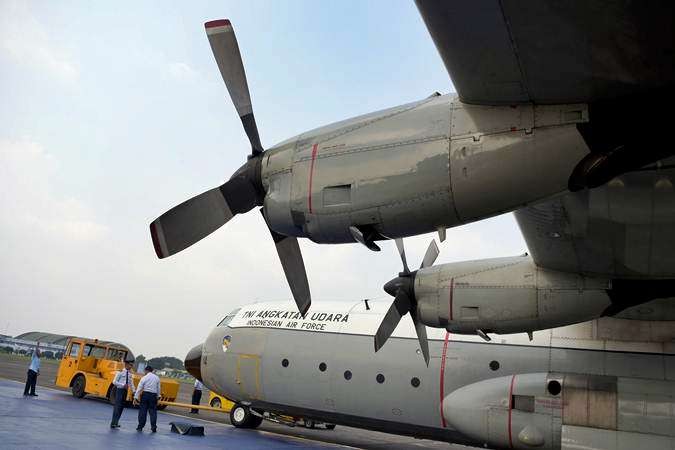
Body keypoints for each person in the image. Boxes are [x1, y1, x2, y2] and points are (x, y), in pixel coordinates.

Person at [134, 365, 161, 432]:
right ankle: (153, 427)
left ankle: (140, 426)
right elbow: (158, 388)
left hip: (145, 395)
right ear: (151, 370)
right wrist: (158, 396)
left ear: (146, 370)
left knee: (143, 411)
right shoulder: (157, 378)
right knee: (153, 412)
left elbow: (139, 388)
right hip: (153, 396)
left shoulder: (144, 378)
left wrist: (135, 397)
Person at [110, 359, 135, 429]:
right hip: (119, 390)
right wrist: (123, 384)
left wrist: (134, 391)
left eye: (132, 365)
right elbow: (114, 382)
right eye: (130, 365)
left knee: (121, 407)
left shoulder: (130, 374)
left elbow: (131, 383)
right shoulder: (120, 372)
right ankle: (113, 423)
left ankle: (116, 422)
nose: (131, 366)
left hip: (125, 391)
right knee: (117, 406)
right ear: (126, 364)